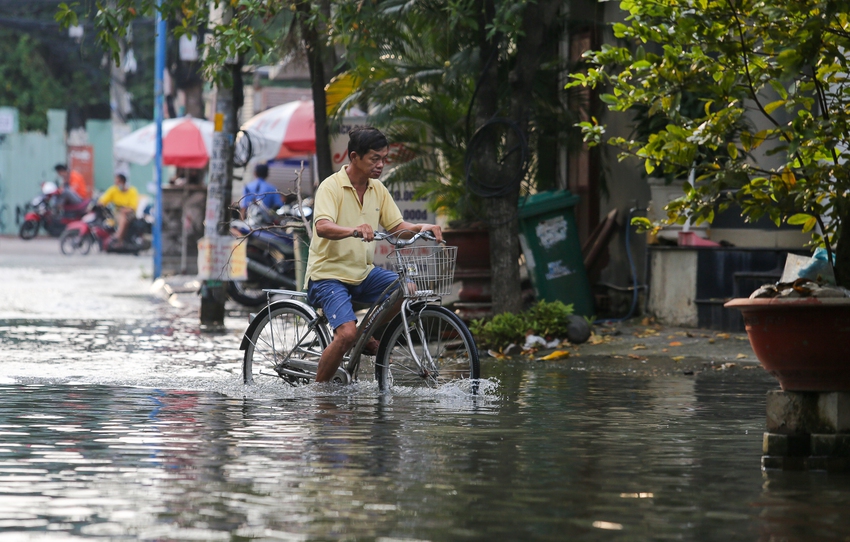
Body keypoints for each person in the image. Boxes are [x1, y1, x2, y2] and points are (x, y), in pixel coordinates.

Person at [305, 127, 443, 383]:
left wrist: (421, 228)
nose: (381, 164)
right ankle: (319, 395)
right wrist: (353, 230)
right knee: (344, 335)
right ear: (354, 156)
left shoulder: (377, 188)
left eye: (383, 158)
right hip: (328, 275)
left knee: (406, 289)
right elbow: (322, 227)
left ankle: (362, 334)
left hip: (362, 272)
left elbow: (396, 227)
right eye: (374, 159)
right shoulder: (331, 187)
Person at [98, 173, 139, 246]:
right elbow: (104, 200)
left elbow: (133, 207)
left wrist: (124, 210)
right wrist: (100, 203)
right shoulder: (113, 190)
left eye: (118, 182)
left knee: (123, 215)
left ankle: (118, 237)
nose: (116, 184)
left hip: (130, 214)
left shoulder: (132, 191)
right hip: (117, 213)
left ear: (123, 182)